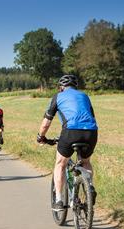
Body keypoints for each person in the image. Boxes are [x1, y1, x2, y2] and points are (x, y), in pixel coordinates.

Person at [37, 75, 98, 211]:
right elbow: (91, 116)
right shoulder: (85, 96)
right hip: (91, 132)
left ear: (61, 88)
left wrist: (41, 137)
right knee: (85, 161)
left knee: (60, 164)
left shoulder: (58, 97)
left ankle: (58, 200)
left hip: (71, 131)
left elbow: (46, 122)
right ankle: (90, 186)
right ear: (75, 87)